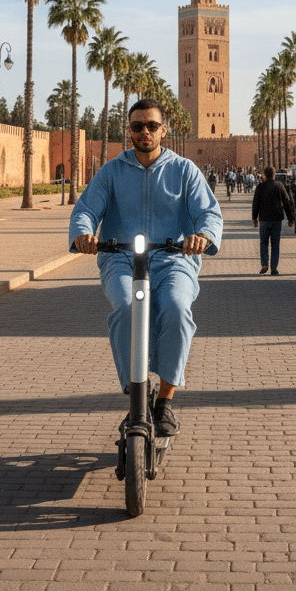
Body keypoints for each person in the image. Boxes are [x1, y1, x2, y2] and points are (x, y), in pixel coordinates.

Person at [69, 98, 223, 439]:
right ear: (129, 131)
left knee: (176, 308)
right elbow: (86, 209)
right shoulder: (111, 172)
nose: (145, 132)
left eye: (152, 126)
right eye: (138, 126)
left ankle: (164, 402)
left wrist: (203, 236)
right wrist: (83, 233)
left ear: (163, 130)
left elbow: (209, 213)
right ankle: (137, 396)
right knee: (126, 308)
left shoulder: (184, 170)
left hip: (173, 259)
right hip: (121, 258)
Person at [251, 165, 295, 275]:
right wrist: (290, 218)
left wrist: (254, 218)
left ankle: (264, 264)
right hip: (276, 219)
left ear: (264, 175)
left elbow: (255, 203)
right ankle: (274, 268)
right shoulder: (280, 186)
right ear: (274, 174)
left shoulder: (260, 187)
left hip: (264, 219)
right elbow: (286, 202)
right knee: (275, 244)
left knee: (263, 242)